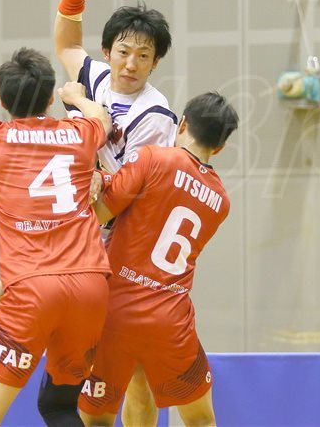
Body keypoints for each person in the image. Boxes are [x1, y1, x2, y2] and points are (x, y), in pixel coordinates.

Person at [0, 0, 176, 426]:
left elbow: (134, 185)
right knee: (59, 405)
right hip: (87, 271)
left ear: (155, 62)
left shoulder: (155, 116)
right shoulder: (84, 118)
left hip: (112, 236)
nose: (130, 63)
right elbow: (68, 46)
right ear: (108, 51)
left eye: (143, 56)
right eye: (124, 52)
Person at [0, 47, 113, 426]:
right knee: (59, 407)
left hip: (32, 290)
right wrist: (79, 98)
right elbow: (103, 119)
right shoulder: (79, 133)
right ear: (50, 98)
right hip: (90, 288)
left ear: (3, 102)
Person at [78, 92, 239, 427]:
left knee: (97, 421)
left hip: (116, 311)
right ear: (220, 147)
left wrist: (98, 176)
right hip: (170, 320)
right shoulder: (221, 200)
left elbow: (101, 213)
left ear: (182, 125)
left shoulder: (153, 158)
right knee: (200, 420)